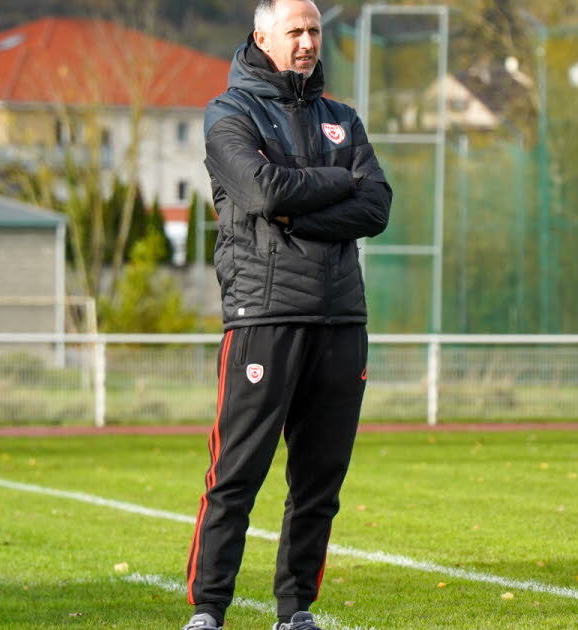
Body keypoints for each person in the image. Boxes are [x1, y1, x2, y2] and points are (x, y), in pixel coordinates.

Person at [182, 0, 392, 628]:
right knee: (236, 475)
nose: (307, 42)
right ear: (262, 37)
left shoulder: (342, 119)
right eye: (294, 31)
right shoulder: (229, 113)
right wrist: (339, 182)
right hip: (263, 316)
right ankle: (209, 610)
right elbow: (262, 190)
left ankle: (295, 610)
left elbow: (376, 206)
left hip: (341, 318)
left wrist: (296, 212)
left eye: (314, 30)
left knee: (319, 483)